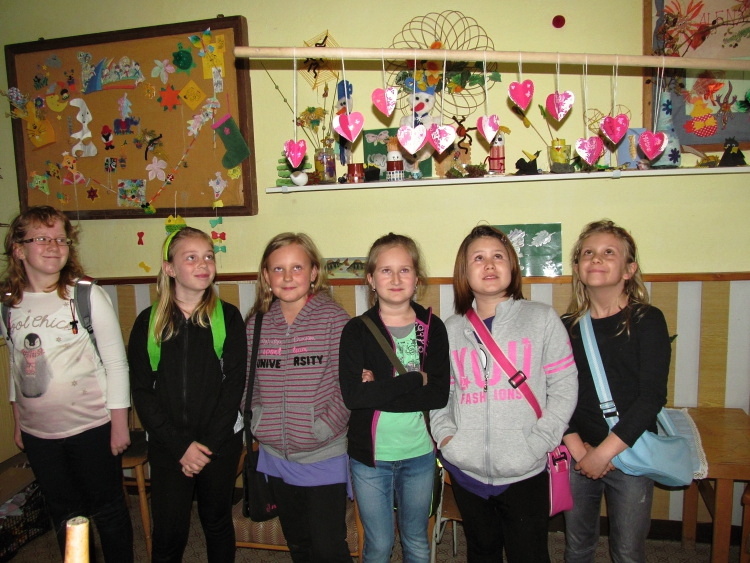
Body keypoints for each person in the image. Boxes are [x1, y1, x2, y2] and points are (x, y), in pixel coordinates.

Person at [429, 225, 578, 563]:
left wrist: (540, 441)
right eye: (478, 258)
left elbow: (565, 385)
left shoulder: (541, 319)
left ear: (512, 266)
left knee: (529, 554)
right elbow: (441, 394)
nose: (489, 264)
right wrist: (448, 438)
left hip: (526, 469)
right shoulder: (451, 329)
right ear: (464, 272)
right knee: (482, 552)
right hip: (467, 471)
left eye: (498, 256)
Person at [0, 205, 133, 561]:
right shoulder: (8, 304)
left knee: (108, 509)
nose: (54, 246)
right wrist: (19, 421)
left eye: (61, 239)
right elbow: (17, 365)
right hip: (39, 434)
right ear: (18, 249)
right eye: (42, 238)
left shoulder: (85, 296)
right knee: (65, 512)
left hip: (92, 427)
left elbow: (116, 364)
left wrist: (119, 424)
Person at [128, 227, 246, 562]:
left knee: (217, 520)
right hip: (169, 445)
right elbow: (142, 391)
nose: (203, 264)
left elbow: (234, 386)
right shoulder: (148, 323)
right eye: (191, 257)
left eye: (208, 256)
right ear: (169, 268)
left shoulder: (228, 318)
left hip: (219, 442)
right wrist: (181, 447)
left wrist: (206, 446)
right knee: (169, 530)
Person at [562, 220, 671, 562]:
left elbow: (651, 397)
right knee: (577, 546)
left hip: (630, 452)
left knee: (627, 551)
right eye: (588, 253)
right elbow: (556, 395)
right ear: (578, 268)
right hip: (578, 453)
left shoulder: (647, 320)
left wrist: (603, 454)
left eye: (609, 252)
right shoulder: (566, 327)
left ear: (629, 269)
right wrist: (580, 450)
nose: (596, 259)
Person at [339, 233, 450, 562]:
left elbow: (438, 395)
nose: (396, 279)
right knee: (379, 543)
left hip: (420, 454)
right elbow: (354, 397)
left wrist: (378, 389)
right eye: (386, 271)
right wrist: (415, 379)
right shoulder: (356, 330)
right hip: (370, 459)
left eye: (405, 270)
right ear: (371, 280)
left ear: (417, 278)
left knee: (416, 539)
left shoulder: (432, 328)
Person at [245, 232, 351, 562]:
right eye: (278, 269)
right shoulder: (256, 324)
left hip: (324, 453)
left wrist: (323, 427)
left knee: (328, 547)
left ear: (314, 272)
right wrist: (259, 420)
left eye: (297, 267)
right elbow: (248, 384)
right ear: (266, 275)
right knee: (299, 544)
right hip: (275, 456)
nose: (287, 277)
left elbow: (346, 386)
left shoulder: (335, 320)